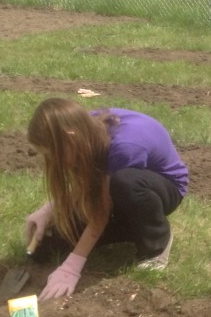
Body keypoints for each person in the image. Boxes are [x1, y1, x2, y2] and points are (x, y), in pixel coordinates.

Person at [24, 98, 188, 301]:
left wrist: (71, 268)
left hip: (159, 189)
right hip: (115, 191)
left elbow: (100, 211)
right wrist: (49, 210)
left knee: (124, 183)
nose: (51, 162)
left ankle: (156, 243)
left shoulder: (125, 147)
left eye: (51, 155)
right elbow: (92, 184)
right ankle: (133, 228)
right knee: (45, 246)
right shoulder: (82, 130)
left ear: (69, 138)